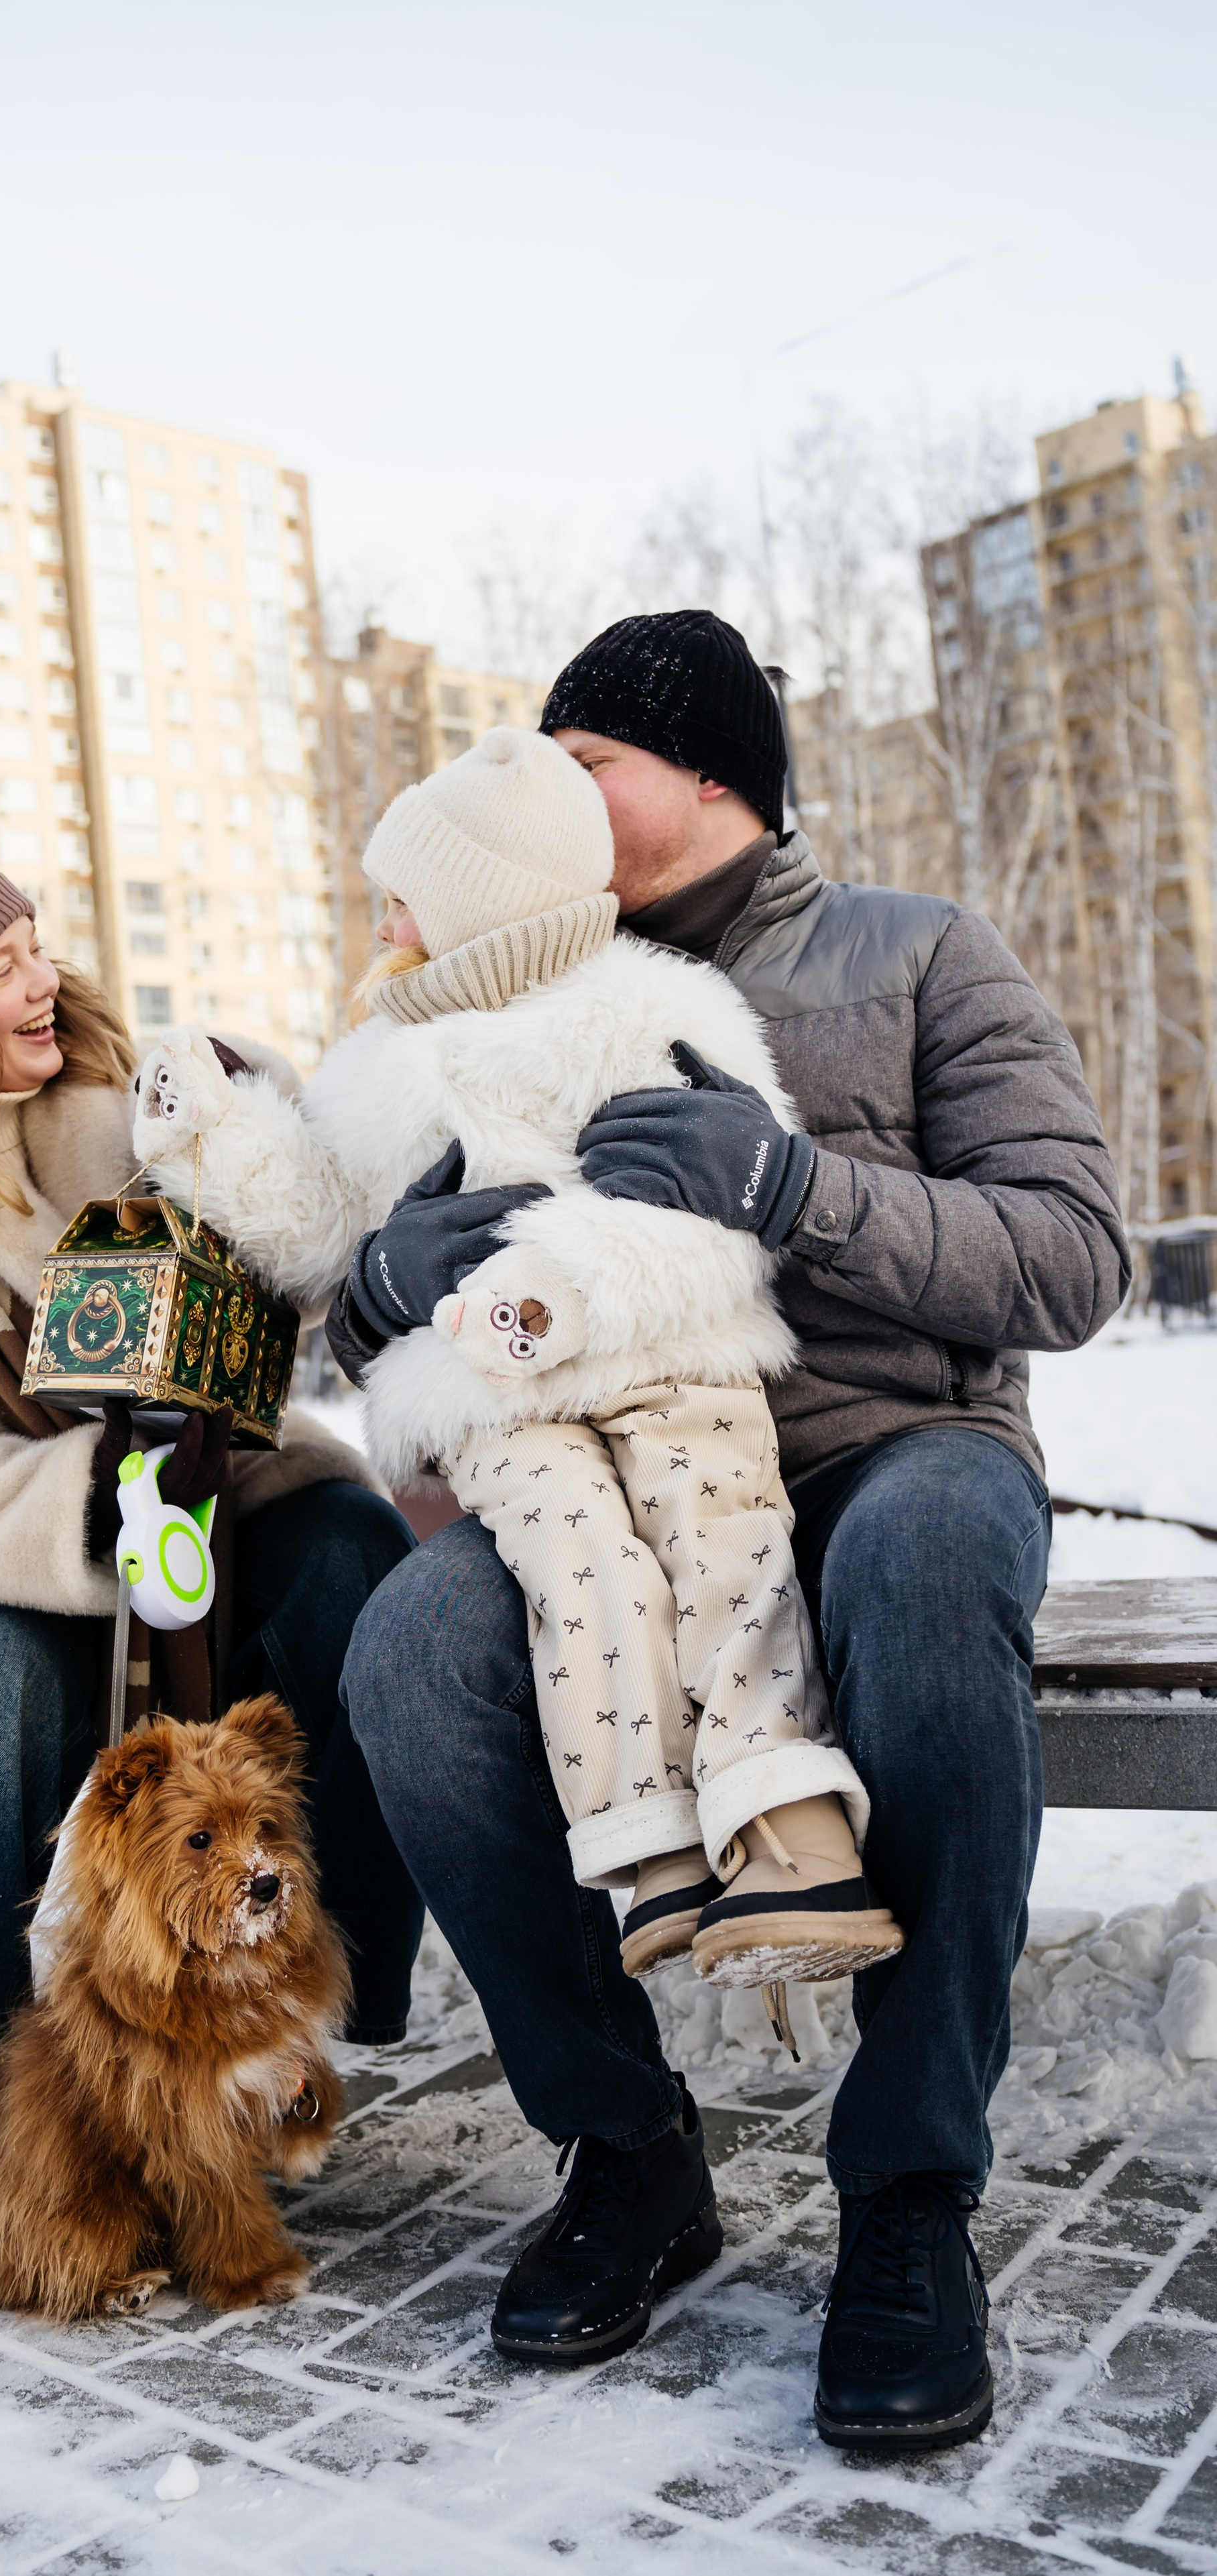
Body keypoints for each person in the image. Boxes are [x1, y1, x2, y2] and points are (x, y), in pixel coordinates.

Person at [333, 611, 1129, 2449]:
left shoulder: (917, 950)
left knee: (926, 1584)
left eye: (581, 755)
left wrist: (794, 1186)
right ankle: (628, 2153)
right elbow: (350, 1286)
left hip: (884, 1444)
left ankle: (911, 2196)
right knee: (413, 1649)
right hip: (599, 1476)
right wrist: (384, 1282)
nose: (543, 789)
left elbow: (1073, 1253)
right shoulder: (487, 988)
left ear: (708, 775)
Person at [133, 726, 898, 1998]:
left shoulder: (651, 1006)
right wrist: (216, 1138)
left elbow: (710, 1214)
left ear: (481, 897)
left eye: (408, 889)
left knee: (720, 1536)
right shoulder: (378, 1059)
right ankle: (651, 1847)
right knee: (577, 1560)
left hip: (666, 1352)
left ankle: (788, 1830)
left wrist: (564, 1283)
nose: (383, 913)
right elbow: (326, 1221)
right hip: (498, 1401)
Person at [0, 826, 422, 2314]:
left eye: (34, 943)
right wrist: (97, 1504)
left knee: (354, 1563)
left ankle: (313, 2002)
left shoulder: (121, 1109)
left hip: (217, 1515)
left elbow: (298, 1221)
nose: (41, 978)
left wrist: (242, 1103)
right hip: (19, 1573)